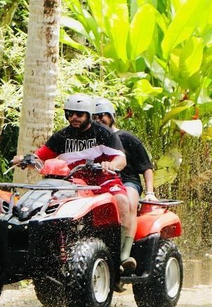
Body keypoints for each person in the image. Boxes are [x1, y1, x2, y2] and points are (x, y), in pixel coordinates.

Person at [12, 93, 137, 272]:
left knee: (123, 201)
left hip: (103, 179)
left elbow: (121, 160)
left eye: (78, 114)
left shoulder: (104, 133)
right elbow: (40, 156)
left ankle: (123, 255)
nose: (73, 118)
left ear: (88, 114)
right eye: (70, 113)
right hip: (72, 182)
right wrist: (25, 159)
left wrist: (110, 164)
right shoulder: (61, 136)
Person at [93, 97, 156, 228]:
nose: (98, 120)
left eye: (101, 116)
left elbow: (146, 167)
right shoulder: (91, 140)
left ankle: (126, 247)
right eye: (94, 117)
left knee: (129, 204)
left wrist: (150, 193)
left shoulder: (126, 138)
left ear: (111, 117)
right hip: (100, 182)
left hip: (127, 181)